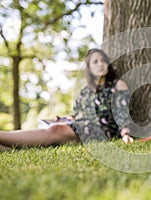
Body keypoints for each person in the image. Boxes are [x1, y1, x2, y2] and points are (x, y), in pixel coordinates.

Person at [0, 48, 133, 151]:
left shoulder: (118, 85)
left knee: (55, 130)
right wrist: (65, 118)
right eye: (95, 62)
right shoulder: (86, 91)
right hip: (82, 126)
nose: (101, 64)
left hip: (102, 130)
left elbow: (122, 112)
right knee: (54, 130)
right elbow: (78, 115)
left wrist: (125, 133)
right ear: (89, 68)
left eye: (103, 60)